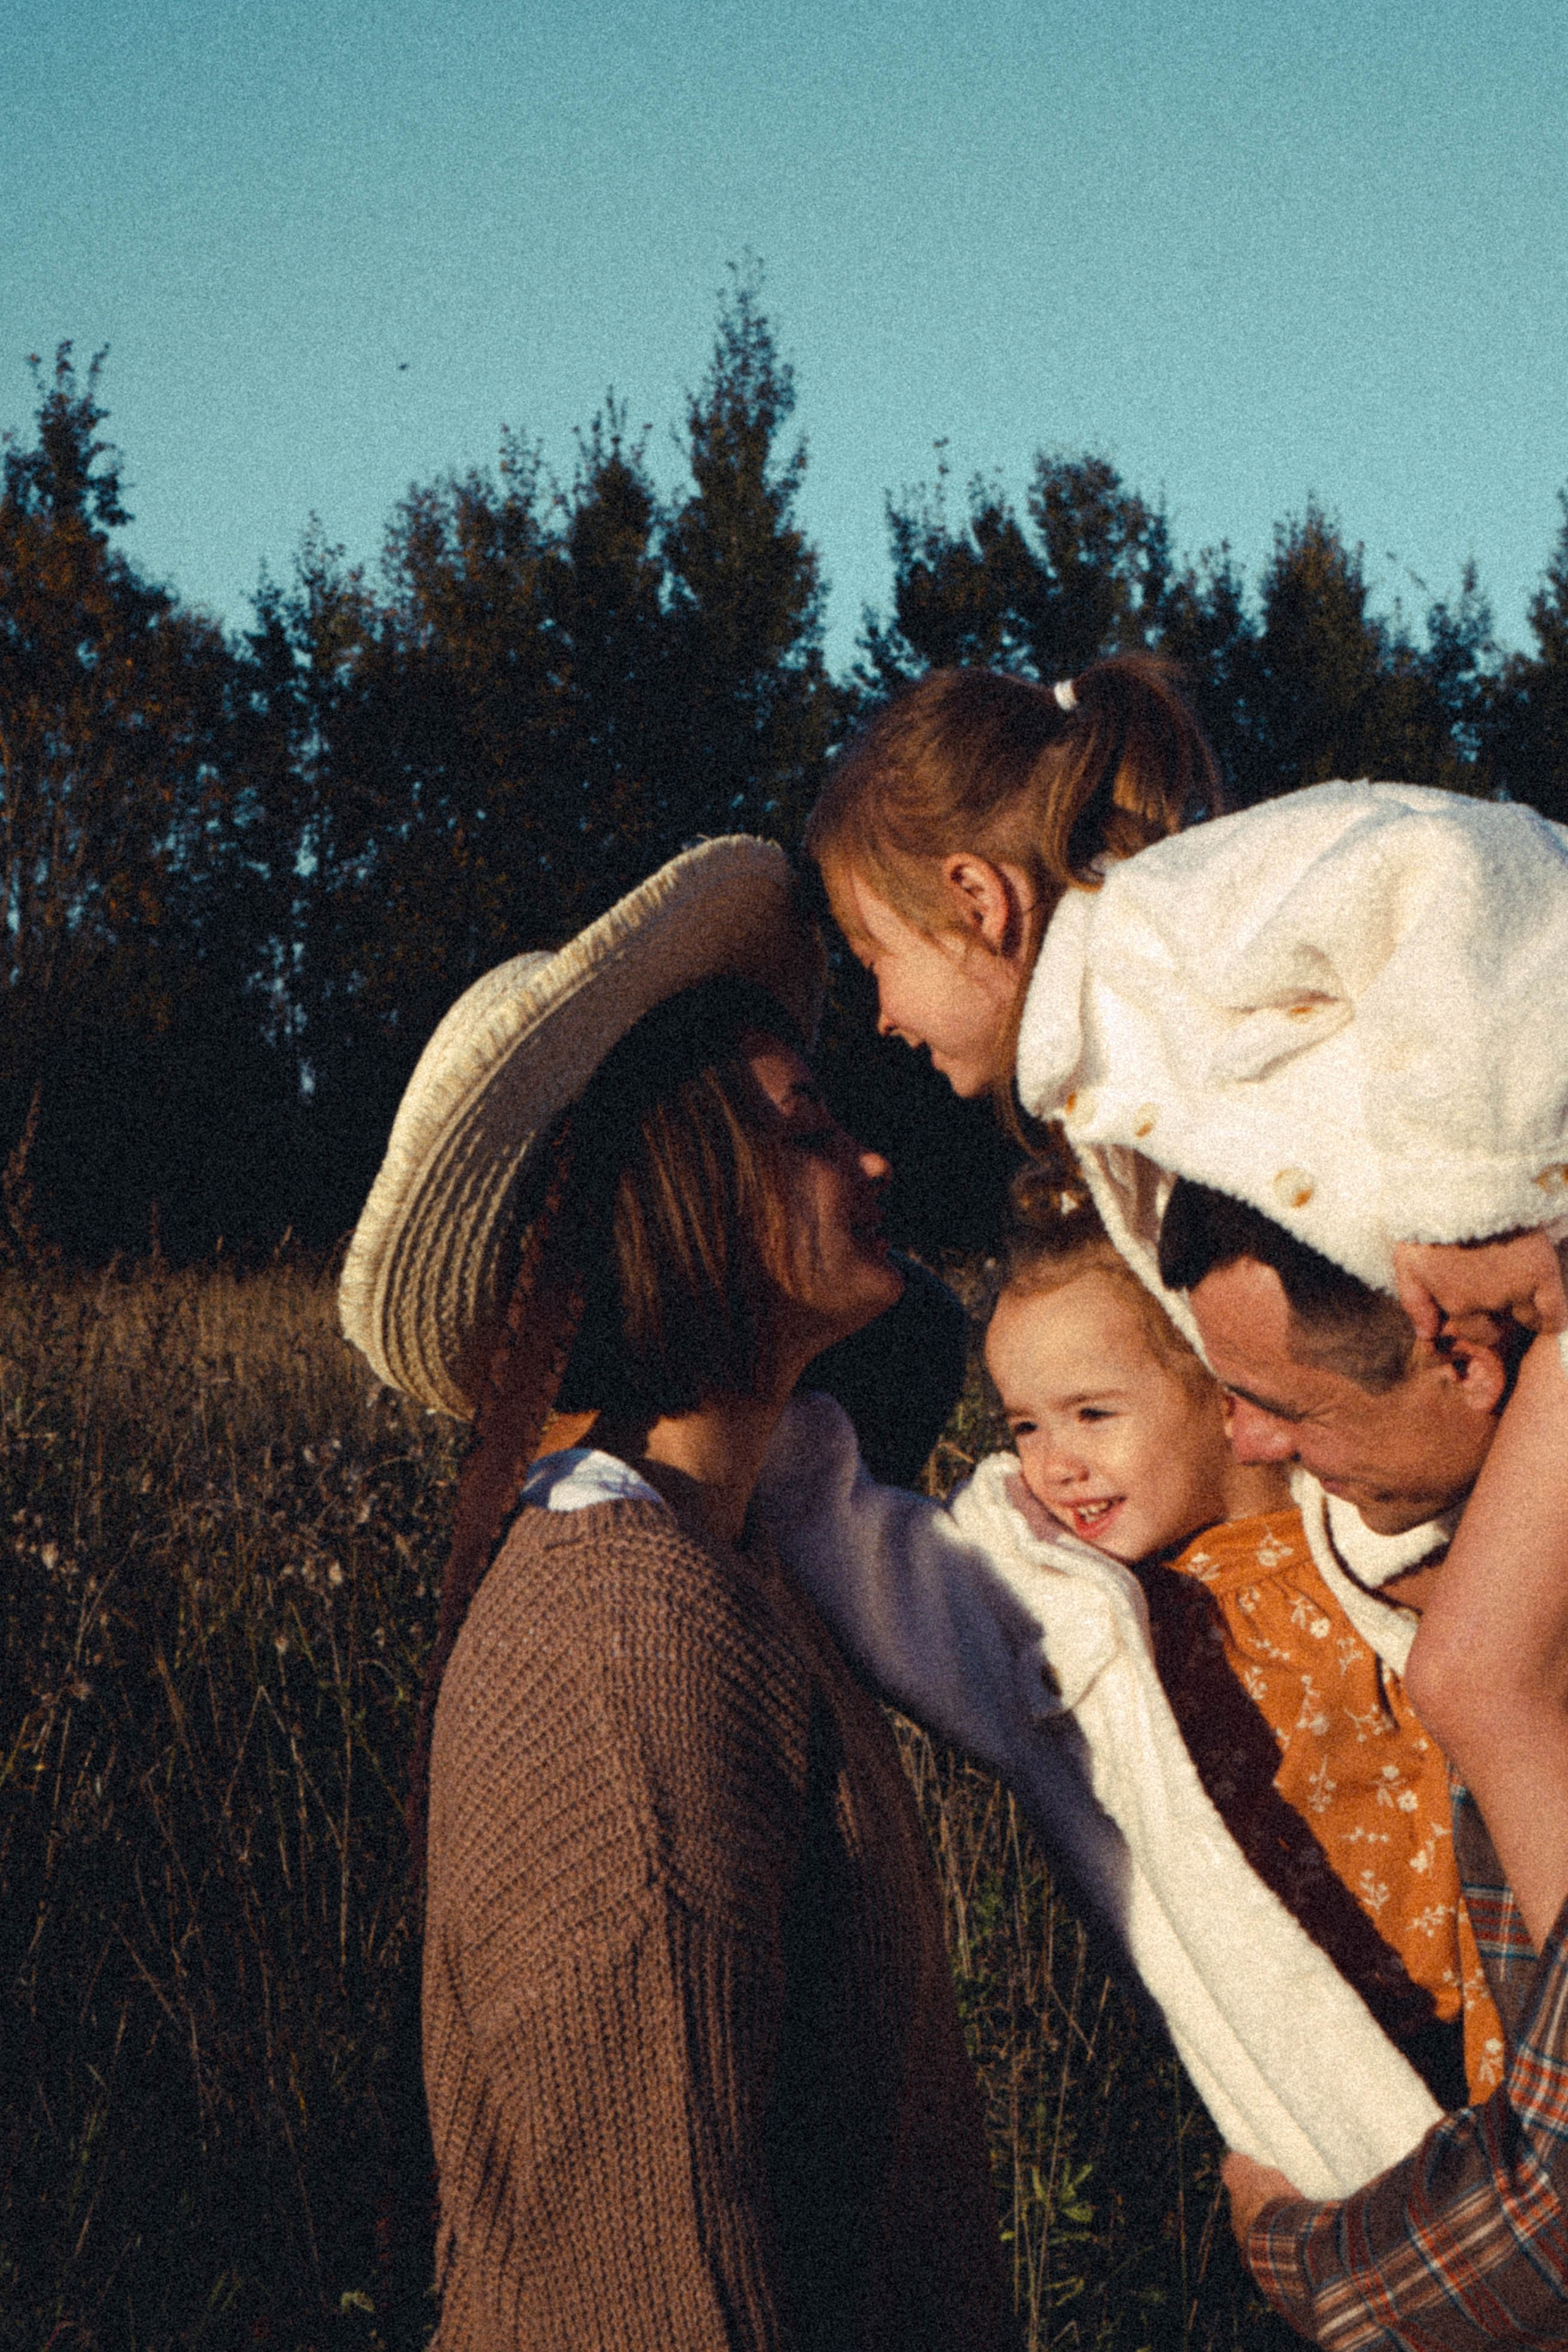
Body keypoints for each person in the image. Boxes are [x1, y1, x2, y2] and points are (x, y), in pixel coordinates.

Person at [339, 837, 1011, 2352]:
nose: (875, 1163)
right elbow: (646, 2286)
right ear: (674, 1189)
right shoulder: (627, 1636)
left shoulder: (735, 1567)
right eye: (806, 1131)